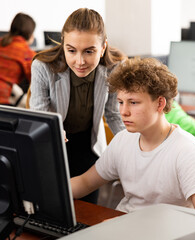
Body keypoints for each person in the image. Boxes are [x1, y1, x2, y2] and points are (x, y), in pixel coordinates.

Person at [71, 57, 195, 215]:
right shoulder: (122, 140)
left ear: (160, 103)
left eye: (133, 102)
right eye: (120, 102)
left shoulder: (188, 151)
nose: (123, 112)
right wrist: (50, 194)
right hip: (125, 226)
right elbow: (85, 182)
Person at [28, 8, 126, 204]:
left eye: (89, 51)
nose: (80, 61)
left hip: (88, 144)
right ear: (63, 44)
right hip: (53, 142)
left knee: (87, 211)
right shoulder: (42, 66)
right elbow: (39, 112)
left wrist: (134, 145)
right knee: (53, 206)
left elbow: (113, 114)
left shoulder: (115, 67)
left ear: (103, 47)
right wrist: (53, 129)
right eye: (71, 50)